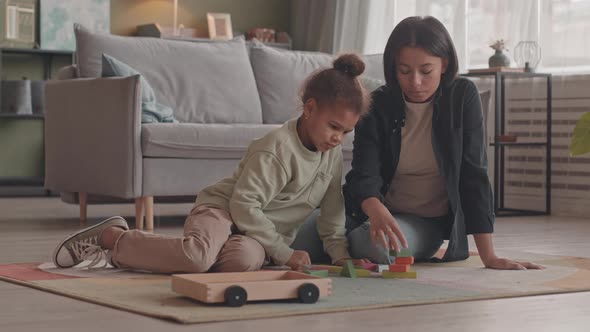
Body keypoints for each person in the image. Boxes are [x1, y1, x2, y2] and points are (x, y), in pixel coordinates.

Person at [52, 53, 372, 273]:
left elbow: (331, 215)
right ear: (310, 109)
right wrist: (285, 254)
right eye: (334, 127)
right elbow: (244, 206)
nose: (338, 139)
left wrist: (342, 257)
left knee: (243, 263)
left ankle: (192, 252)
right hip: (223, 210)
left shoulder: (331, 157)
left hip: (251, 232)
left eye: (346, 131)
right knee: (196, 259)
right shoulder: (276, 149)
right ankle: (113, 238)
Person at [343, 16, 543, 270]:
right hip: (372, 211)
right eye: (404, 71)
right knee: (299, 233)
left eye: (426, 71)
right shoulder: (377, 104)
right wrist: (374, 208)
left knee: (373, 246)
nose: (415, 82)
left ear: (444, 64)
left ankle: (339, 242)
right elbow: (364, 172)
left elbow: (474, 173)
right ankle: (335, 240)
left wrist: (489, 256)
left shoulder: (462, 97)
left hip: (425, 221)